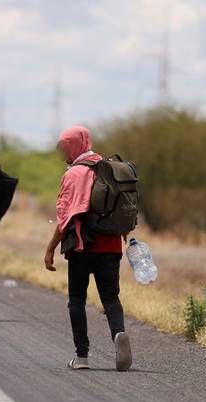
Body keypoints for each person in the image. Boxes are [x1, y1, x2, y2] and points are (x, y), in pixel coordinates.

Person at [43, 125, 132, 372]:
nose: (62, 152)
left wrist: (51, 248)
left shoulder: (74, 174)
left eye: (63, 147)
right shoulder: (108, 168)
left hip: (82, 247)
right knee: (111, 297)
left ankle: (82, 357)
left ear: (73, 145)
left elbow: (66, 219)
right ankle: (118, 333)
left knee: (77, 300)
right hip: (111, 246)